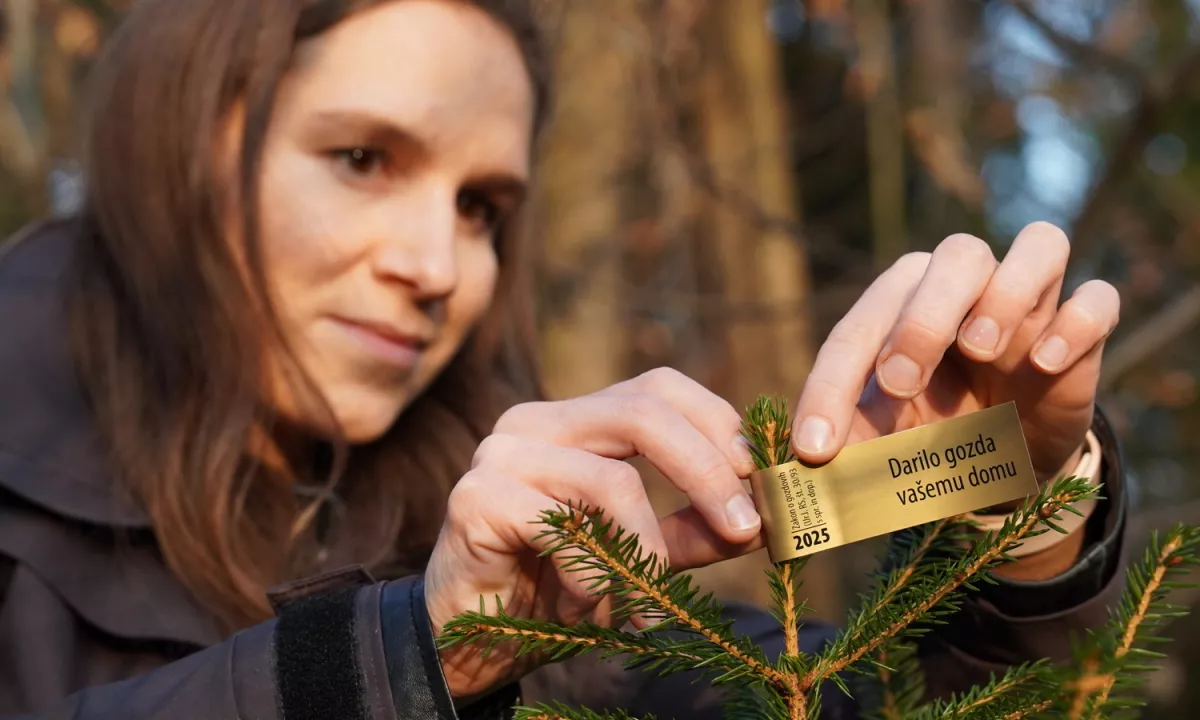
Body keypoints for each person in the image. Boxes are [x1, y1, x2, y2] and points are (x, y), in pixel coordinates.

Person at [0, 0, 1127, 718]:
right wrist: (401, 660)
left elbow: (861, 701)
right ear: (181, 142)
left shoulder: (526, 549)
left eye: (484, 207)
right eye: (361, 157)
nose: (439, 264)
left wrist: (1015, 501)